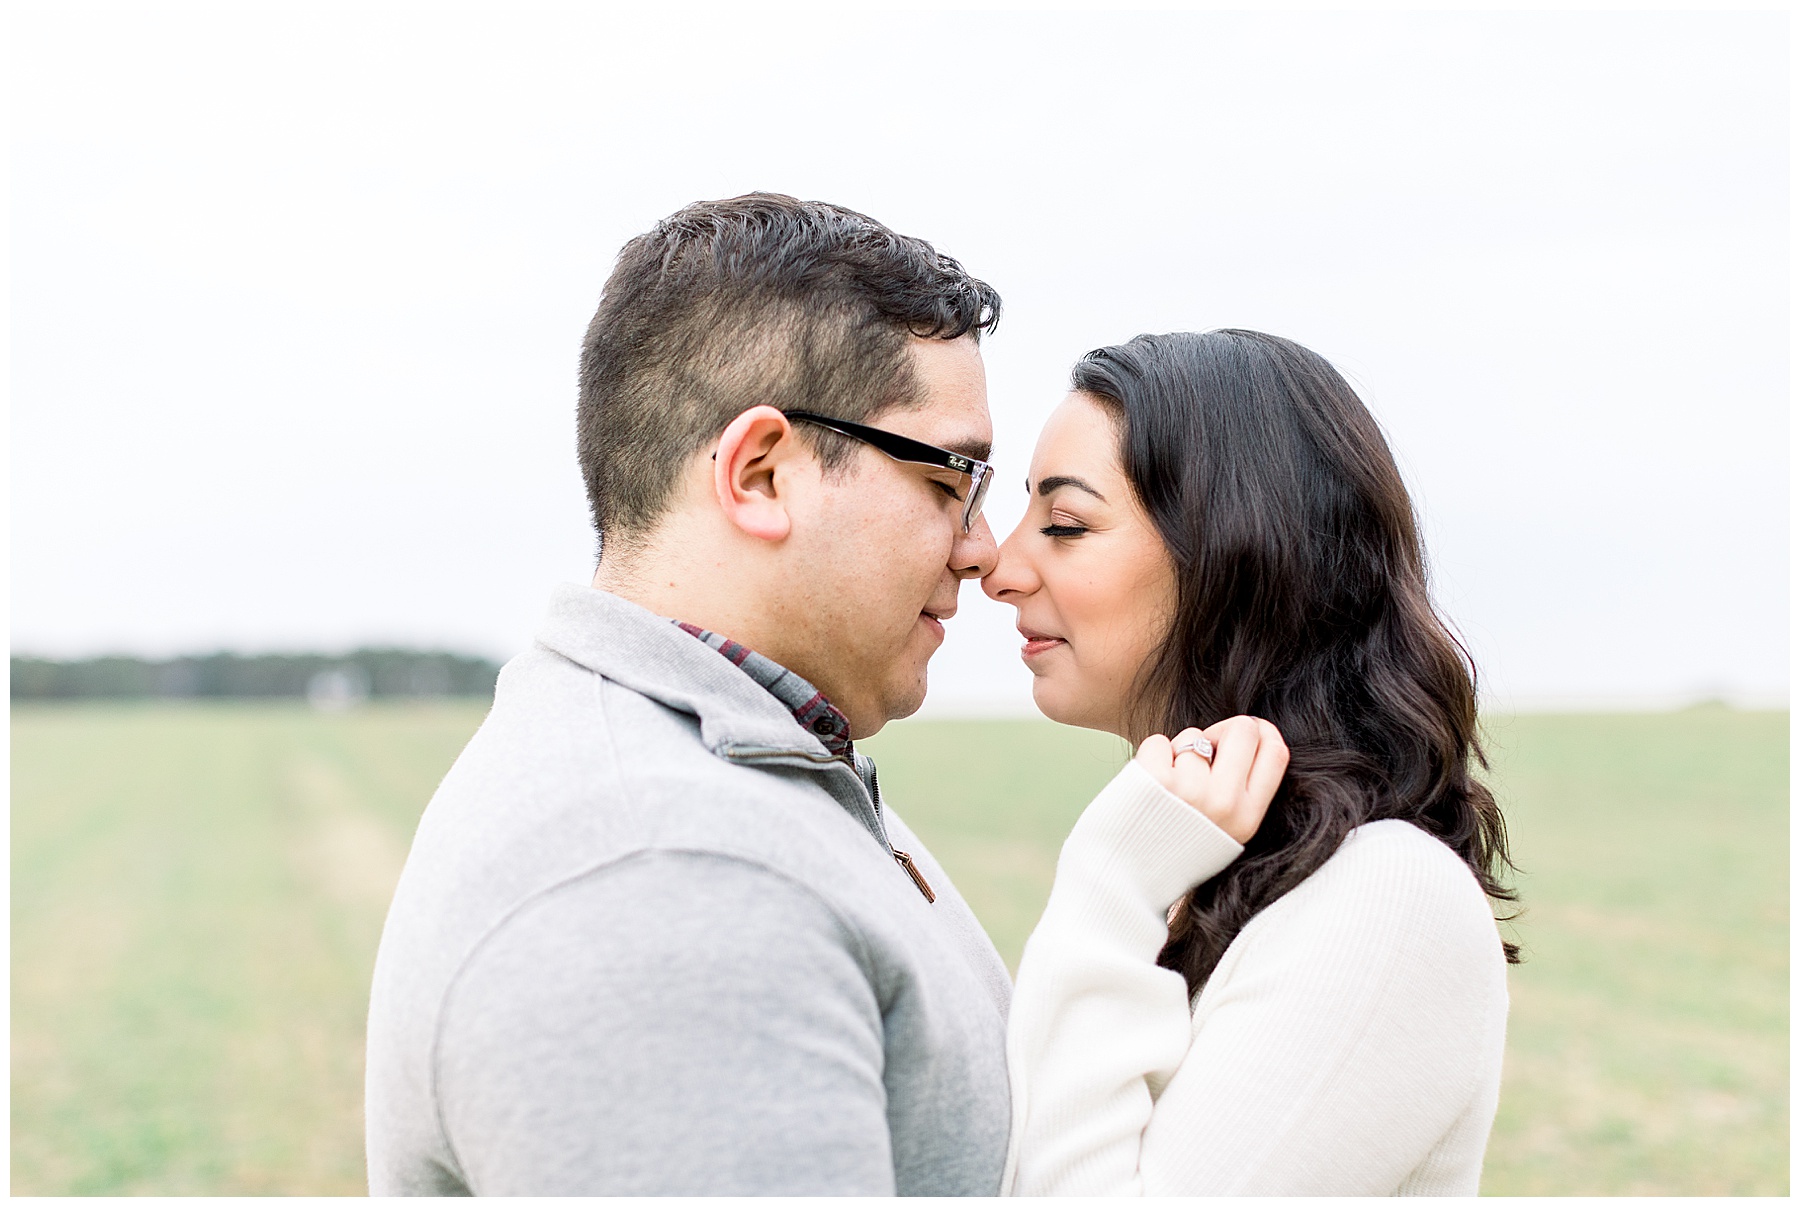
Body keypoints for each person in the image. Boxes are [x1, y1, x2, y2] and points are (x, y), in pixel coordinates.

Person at [365, 194, 1013, 1195]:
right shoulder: (668, 878)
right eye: (950, 480)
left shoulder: (741, 765)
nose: (983, 550)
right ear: (758, 473)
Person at [984, 329, 1517, 1195]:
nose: (1000, 567)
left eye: (1065, 523)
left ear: (1238, 551)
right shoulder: (1210, 866)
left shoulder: (1386, 896)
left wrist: (1108, 888)